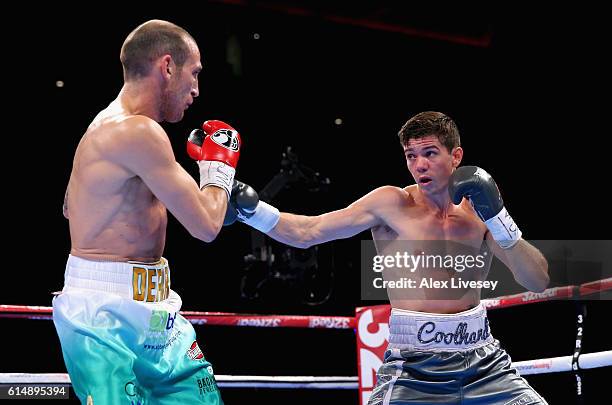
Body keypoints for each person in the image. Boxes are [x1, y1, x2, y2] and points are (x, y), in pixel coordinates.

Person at [225, 111, 550, 404]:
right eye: (411, 155)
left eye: (430, 153)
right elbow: (309, 231)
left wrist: (499, 218)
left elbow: (537, 280)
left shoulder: (479, 208)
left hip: (485, 363)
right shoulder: (391, 204)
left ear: (456, 157)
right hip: (415, 368)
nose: (419, 164)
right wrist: (252, 212)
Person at [55, 19, 240, 404]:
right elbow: (207, 226)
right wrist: (219, 169)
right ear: (168, 66)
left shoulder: (102, 127)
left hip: (157, 309)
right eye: (194, 73)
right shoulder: (139, 131)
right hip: (103, 316)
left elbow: (70, 208)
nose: (196, 90)